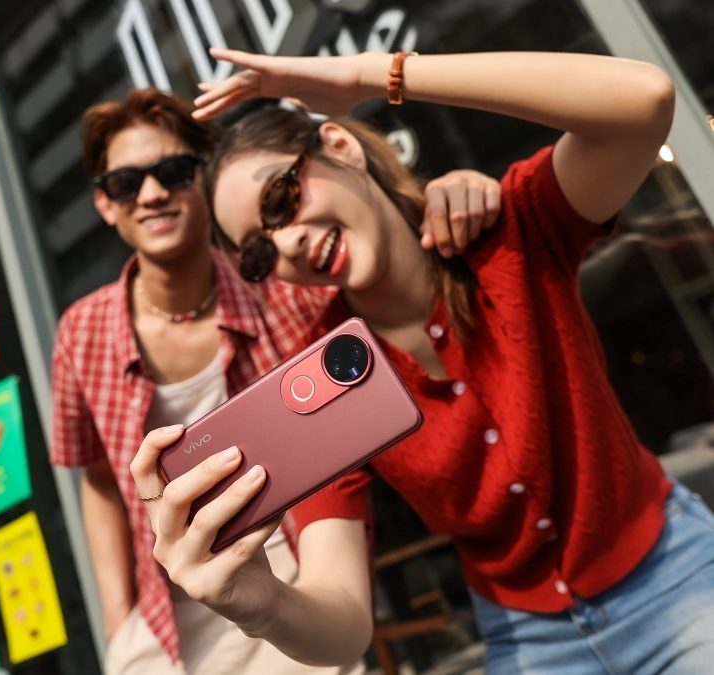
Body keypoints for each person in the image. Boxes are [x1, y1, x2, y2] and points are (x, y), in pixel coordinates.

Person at [130, 49, 714, 673]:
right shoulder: (319, 385)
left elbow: (644, 100)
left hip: (669, 572)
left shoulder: (506, 234)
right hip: (529, 638)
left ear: (341, 148)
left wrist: (368, 76)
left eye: (281, 199)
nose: (288, 242)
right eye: (258, 253)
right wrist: (265, 605)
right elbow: (344, 624)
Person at [51, 87, 502, 674]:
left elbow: (393, 287)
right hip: (165, 621)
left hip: (293, 576)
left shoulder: (283, 285)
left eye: (174, 171)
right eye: (126, 183)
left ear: (202, 180)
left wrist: (446, 198)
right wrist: (116, 621)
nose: (153, 193)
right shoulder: (82, 332)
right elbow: (98, 480)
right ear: (105, 204)